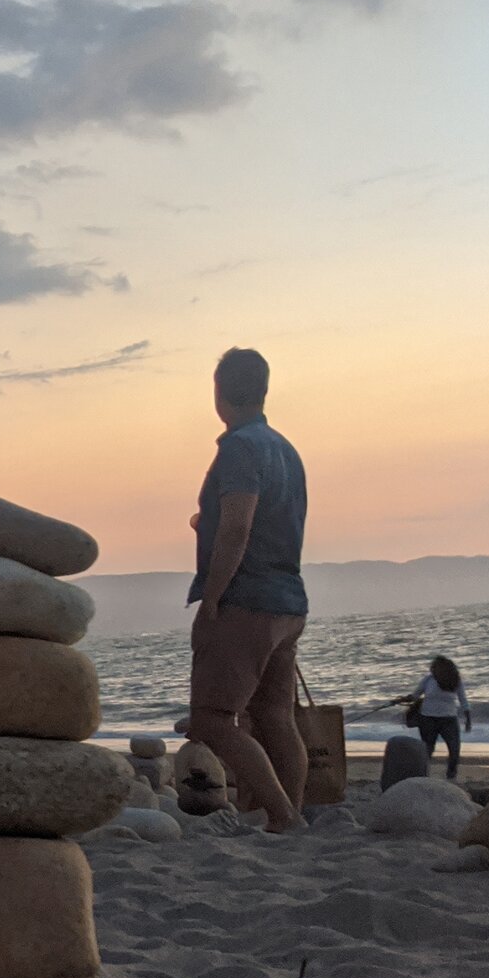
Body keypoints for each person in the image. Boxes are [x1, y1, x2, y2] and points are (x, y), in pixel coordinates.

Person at [187, 346, 309, 832]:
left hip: (247, 600)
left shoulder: (239, 447)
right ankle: (289, 816)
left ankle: (282, 814)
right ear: (263, 389)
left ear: (220, 392)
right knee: (276, 717)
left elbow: (238, 527)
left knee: (211, 719)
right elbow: (262, 521)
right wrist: (207, 523)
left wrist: (213, 597)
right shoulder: (285, 448)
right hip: (288, 600)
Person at [407, 656, 471, 778]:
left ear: (443, 669)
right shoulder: (428, 680)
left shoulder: (455, 681)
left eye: (435, 667)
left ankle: (451, 774)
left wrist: (468, 719)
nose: (432, 669)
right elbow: (415, 695)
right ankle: (423, 775)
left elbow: (463, 700)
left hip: (449, 719)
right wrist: (403, 699)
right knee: (428, 750)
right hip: (428, 719)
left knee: (454, 749)